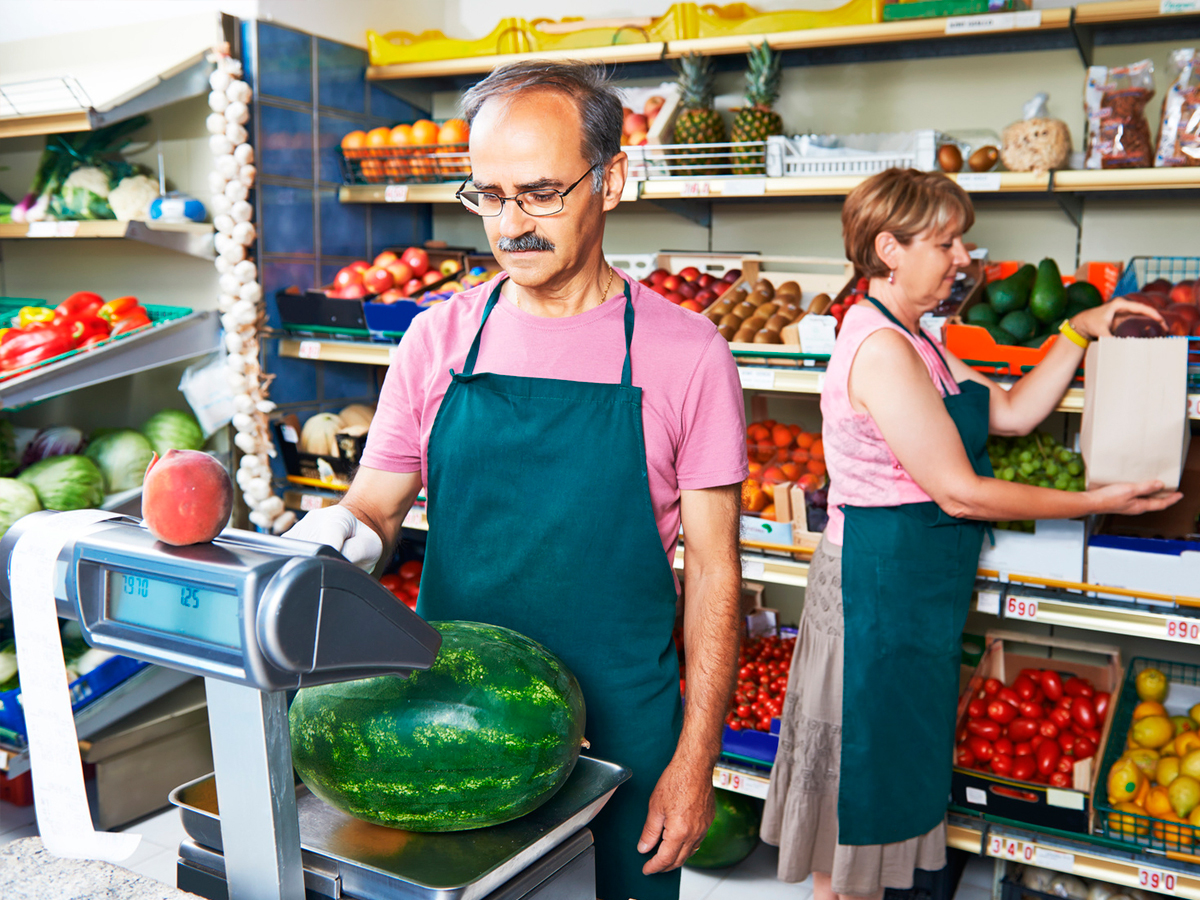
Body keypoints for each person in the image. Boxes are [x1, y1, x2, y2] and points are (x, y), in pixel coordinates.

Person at [285, 61, 748, 900]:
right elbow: (377, 507)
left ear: (609, 180)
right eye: (488, 196)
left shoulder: (689, 355)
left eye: (539, 193)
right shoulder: (438, 338)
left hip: (624, 729)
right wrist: (337, 537)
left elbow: (715, 572)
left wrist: (696, 757)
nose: (511, 225)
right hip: (447, 718)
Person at [761, 167, 1179, 900]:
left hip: (913, 594)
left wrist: (1077, 329)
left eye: (963, 241)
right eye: (946, 241)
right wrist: (1094, 501)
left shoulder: (916, 337)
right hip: (875, 594)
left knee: (885, 774)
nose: (964, 257)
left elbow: (1014, 412)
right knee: (862, 788)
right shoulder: (881, 349)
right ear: (890, 249)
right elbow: (960, 492)